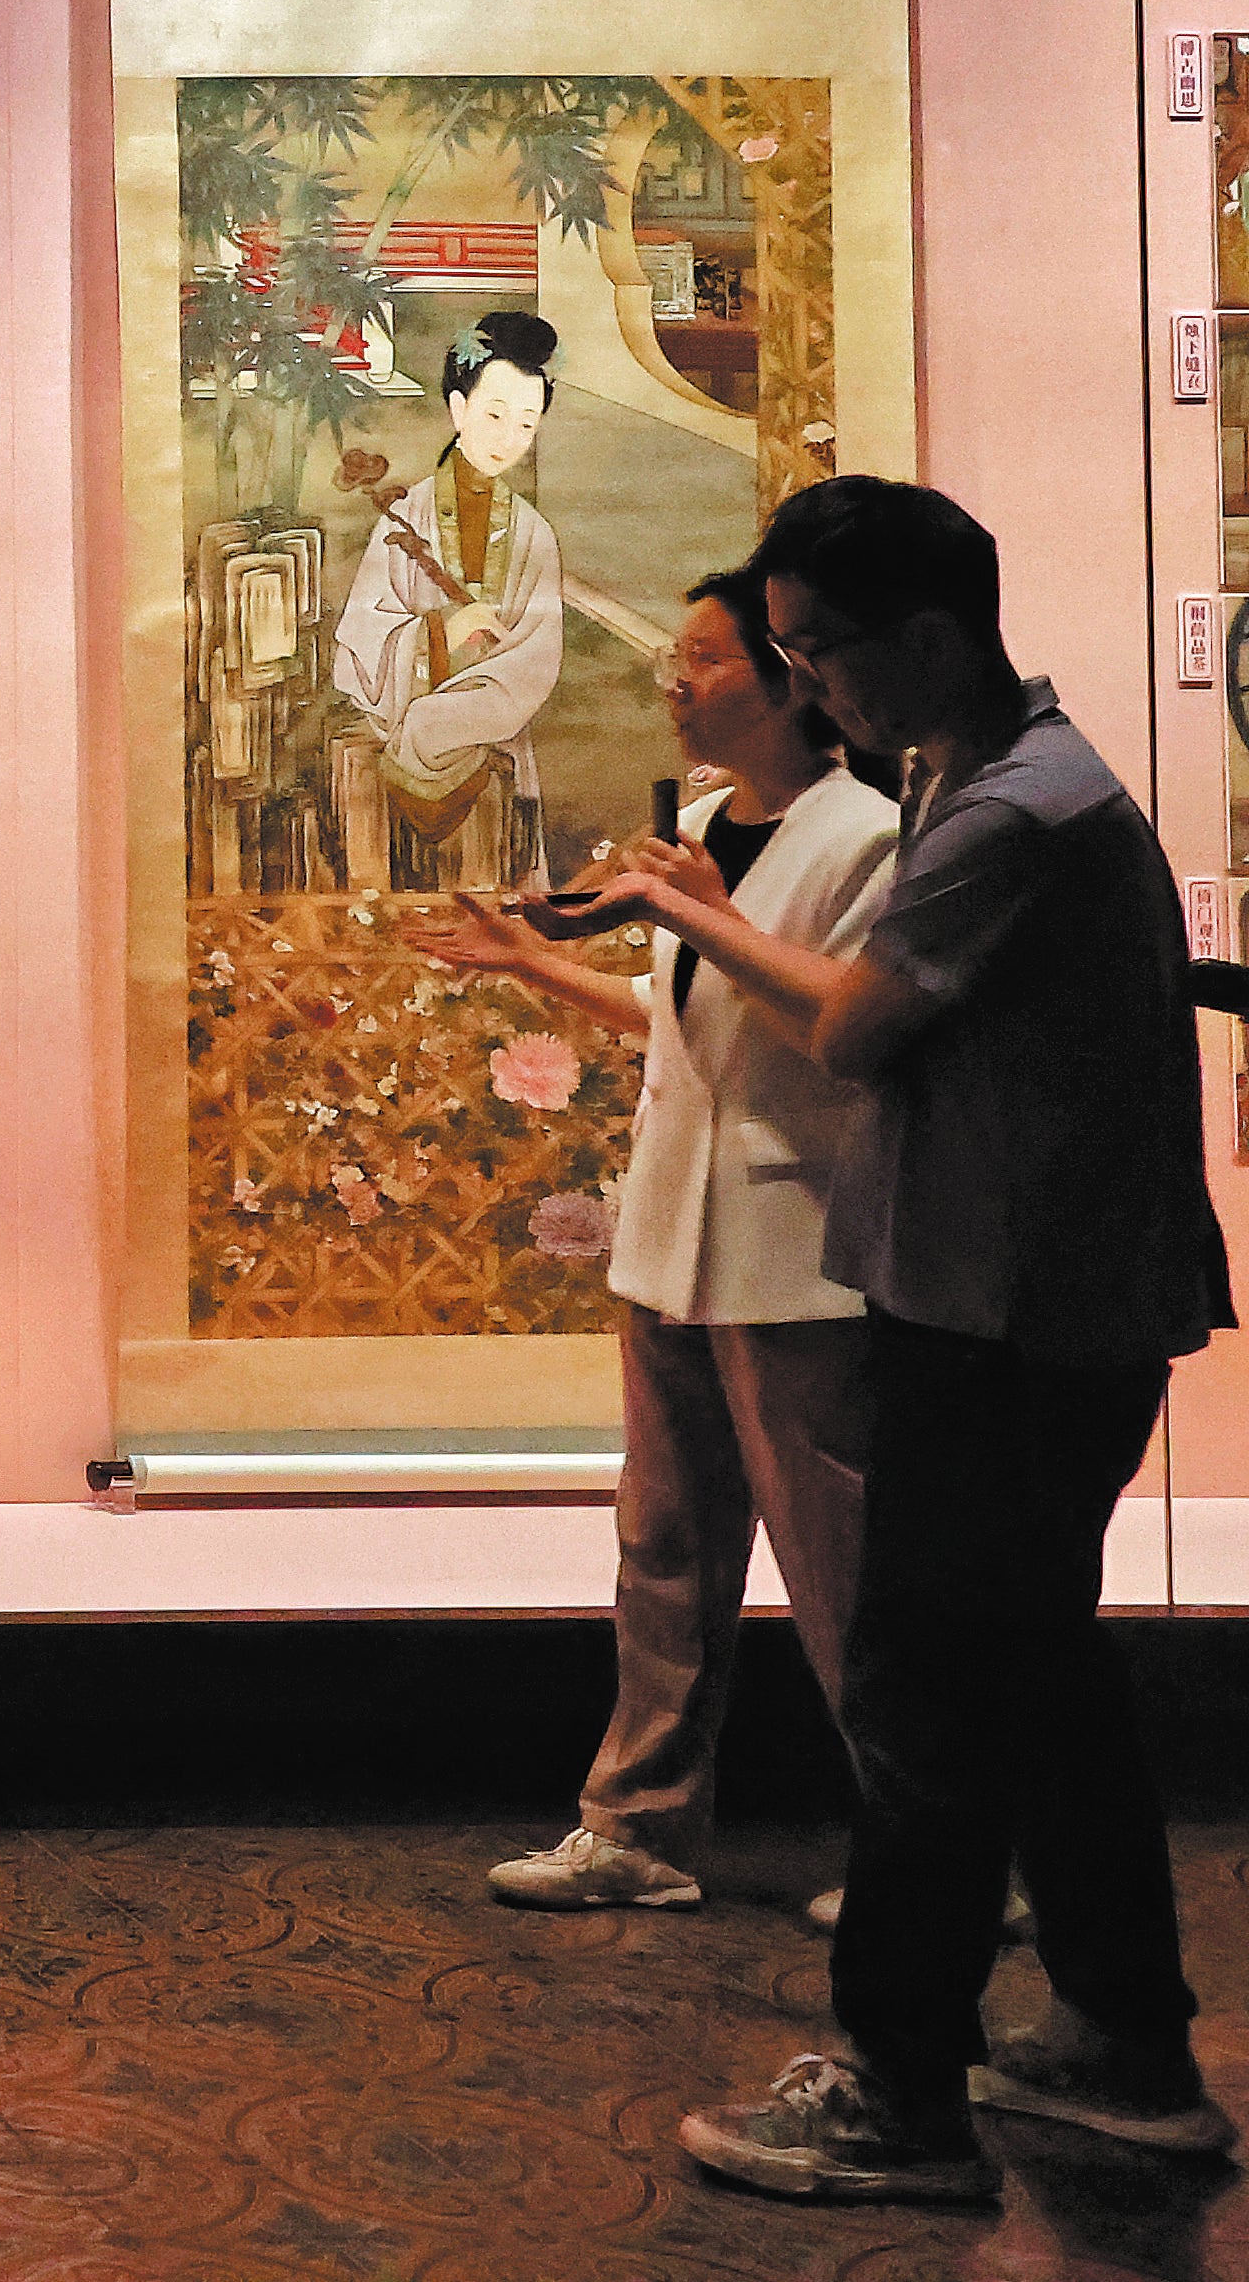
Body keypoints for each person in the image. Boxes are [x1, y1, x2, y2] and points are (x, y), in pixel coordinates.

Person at [638, 479, 1238, 2204]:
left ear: (925, 635)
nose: (804, 682)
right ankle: (1128, 2045)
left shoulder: (1009, 816)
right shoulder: (984, 786)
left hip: (1006, 1319)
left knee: (925, 1700)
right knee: (1040, 1684)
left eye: (817, 648)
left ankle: (902, 2080)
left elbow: (857, 1026)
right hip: (1015, 1302)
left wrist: (687, 910)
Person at [414, 571, 896, 1915]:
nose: (674, 681)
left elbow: (839, 1033)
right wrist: (527, 965)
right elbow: (677, 1012)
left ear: (791, 680)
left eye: (701, 657)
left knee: (841, 1573)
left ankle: (953, 1856)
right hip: (674, 1245)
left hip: (797, 1257)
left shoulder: (863, 836)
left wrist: (700, 919)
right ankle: (637, 1829)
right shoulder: (696, 827)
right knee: (665, 1554)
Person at [330, 311, 568, 893]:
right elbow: (364, 628)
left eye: (525, 425)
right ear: (458, 409)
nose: (506, 438)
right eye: (493, 415)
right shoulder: (405, 515)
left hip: (494, 721)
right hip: (404, 713)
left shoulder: (534, 533)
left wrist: (471, 701)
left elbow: (538, 655)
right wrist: (441, 632)